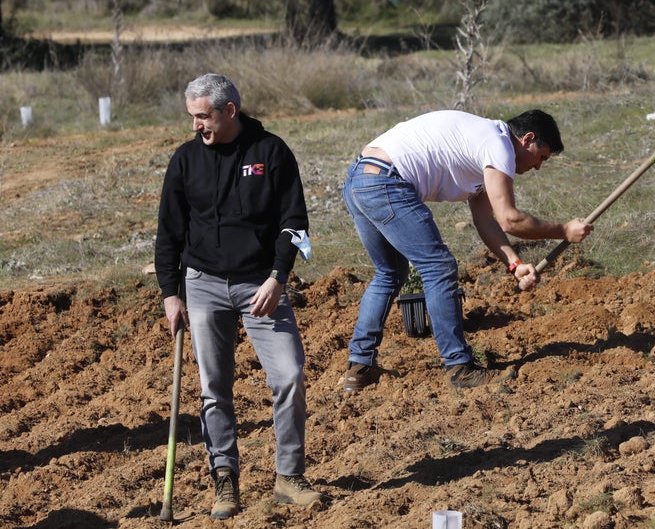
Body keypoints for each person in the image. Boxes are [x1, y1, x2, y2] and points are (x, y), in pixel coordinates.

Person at [154, 73, 322, 520]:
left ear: (229, 111)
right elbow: (168, 233)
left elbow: (295, 221)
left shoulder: (271, 153)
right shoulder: (185, 160)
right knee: (214, 388)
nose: (195, 126)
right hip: (203, 285)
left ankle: (289, 477)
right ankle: (224, 480)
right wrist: (171, 294)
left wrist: (279, 277)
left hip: (261, 285)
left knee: (289, 375)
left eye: (202, 116)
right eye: (191, 116)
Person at [341, 109, 593, 392]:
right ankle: (460, 368)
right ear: (527, 139)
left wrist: (514, 263)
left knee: (390, 273)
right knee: (438, 267)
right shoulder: (498, 146)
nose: (537, 167)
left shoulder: (483, 146)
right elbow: (510, 219)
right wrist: (563, 231)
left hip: (360, 179)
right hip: (386, 182)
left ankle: (359, 367)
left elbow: (486, 219)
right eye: (541, 157)